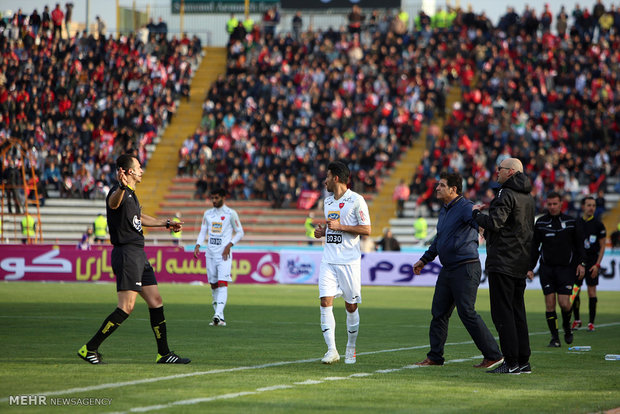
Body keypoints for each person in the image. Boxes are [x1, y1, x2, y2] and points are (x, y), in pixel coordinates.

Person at [77, 154, 190, 365]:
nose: (141, 170)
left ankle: (163, 354)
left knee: (156, 301)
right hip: (127, 253)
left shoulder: (132, 195)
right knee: (126, 307)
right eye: (138, 167)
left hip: (138, 254)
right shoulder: (118, 191)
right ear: (128, 172)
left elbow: (140, 217)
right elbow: (112, 204)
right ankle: (89, 348)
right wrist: (121, 187)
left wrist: (166, 223)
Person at [413, 172, 503, 370]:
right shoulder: (444, 210)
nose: (437, 188)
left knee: (467, 312)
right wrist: (424, 259)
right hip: (449, 269)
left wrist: (482, 227)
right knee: (438, 313)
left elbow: (481, 226)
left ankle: (494, 355)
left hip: (466, 267)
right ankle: (435, 357)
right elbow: (439, 240)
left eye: (441, 185)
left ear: (453, 189)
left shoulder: (465, 208)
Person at [473, 158, 535, 374]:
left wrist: (475, 215)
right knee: (518, 312)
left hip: (503, 261)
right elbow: (518, 228)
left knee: (503, 313)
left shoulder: (505, 193)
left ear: (510, 172)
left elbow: (495, 222)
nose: (497, 172)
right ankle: (523, 361)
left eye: (500, 169)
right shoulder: (528, 196)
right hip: (520, 260)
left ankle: (511, 362)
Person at [313, 161, 371, 365]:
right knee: (324, 301)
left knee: (351, 305)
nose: (325, 180)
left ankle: (351, 347)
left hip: (349, 262)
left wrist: (341, 226)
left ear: (336, 178)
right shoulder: (328, 202)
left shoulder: (357, 200)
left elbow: (367, 229)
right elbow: (332, 229)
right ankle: (331, 350)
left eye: (327, 176)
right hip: (329, 260)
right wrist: (323, 232)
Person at [528, 191, 586, 348]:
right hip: (547, 269)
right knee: (549, 304)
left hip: (566, 269)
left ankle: (567, 327)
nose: (552, 207)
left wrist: (581, 264)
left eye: (555, 204)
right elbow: (534, 248)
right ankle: (555, 338)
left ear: (561, 204)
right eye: (549, 204)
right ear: (546, 204)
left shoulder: (572, 222)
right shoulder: (540, 222)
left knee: (564, 303)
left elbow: (580, 246)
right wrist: (530, 268)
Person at [193, 187, 244, 327]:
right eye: (212, 198)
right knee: (214, 285)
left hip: (224, 255)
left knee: (223, 283)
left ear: (223, 197)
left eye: (216, 198)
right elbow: (203, 231)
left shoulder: (231, 214)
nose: (214, 200)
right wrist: (198, 245)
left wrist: (229, 245)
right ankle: (219, 318)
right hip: (210, 253)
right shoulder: (207, 214)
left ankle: (217, 314)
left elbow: (240, 232)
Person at [573, 196, 606, 332]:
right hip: (578, 264)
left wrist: (597, 265)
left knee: (592, 292)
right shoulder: (576, 223)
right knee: (575, 291)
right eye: (588, 205)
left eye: (593, 205)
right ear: (583, 207)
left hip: (592, 263)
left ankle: (591, 322)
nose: (591, 208)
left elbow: (602, 246)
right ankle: (577, 320)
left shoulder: (599, 225)